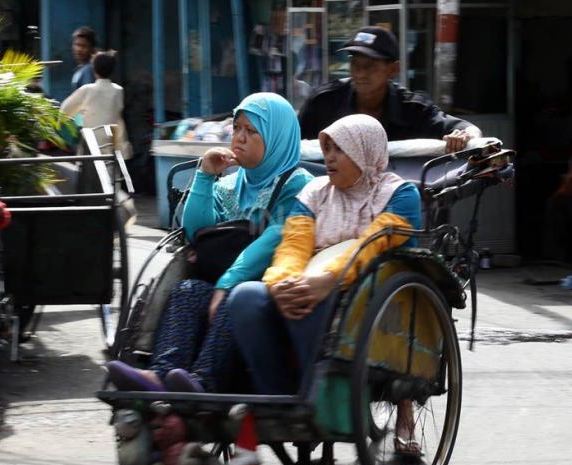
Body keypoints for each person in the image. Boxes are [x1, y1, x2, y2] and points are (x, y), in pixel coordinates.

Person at [227, 114, 420, 391]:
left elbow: (372, 245)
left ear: (364, 152)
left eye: (340, 149)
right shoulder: (314, 191)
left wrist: (330, 280)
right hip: (309, 280)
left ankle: (315, 396)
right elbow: (293, 245)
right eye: (327, 149)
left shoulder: (399, 194)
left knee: (312, 301)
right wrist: (281, 283)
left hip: (369, 289)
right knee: (245, 296)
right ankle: (275, 399)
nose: (329, 158)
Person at [145, 93, 315, 393]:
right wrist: (206, 175)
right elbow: (198, 231)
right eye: (237, 128)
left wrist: (227, 283)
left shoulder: (296, 184)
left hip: (267, 286)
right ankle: (163, 374)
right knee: (188, 290)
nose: (240, 138)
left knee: (233, 298)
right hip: (223, 279)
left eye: (252, 131)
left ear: (276, 137)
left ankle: (203, 382)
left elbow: (273, 240)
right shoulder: (230, 183)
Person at [297, 26, 482, 153]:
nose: (360, 74)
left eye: (369, 66)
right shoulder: (324, 101)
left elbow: (467, 129)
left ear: (393, 70)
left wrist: (464, 136)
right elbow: (293, 146)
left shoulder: (412, 109)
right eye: (355, 64)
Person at [60, 50, 133, 159]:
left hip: (90, 144)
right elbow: (117, 116)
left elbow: (64, 110)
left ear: (94, 70)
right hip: (111, 143)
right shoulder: (118, 90)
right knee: (110, 172)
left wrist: (79, 119)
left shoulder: (87, 90)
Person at [71, 26, 97, 91]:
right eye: (77, 45)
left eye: (84, 46)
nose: (79, 49)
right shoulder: (81, 69)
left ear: (92, 49)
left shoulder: (88, 70)